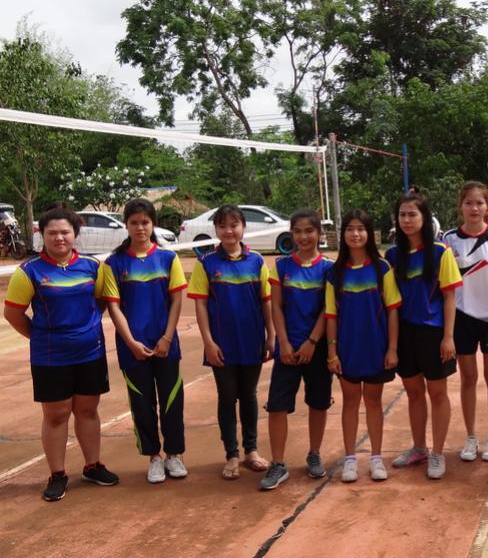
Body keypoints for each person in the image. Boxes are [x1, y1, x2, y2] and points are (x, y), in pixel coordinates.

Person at [4, 206, 119, 501]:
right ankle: (57, 474)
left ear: (74, 234)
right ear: (42, 235)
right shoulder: (29, 271)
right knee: (56, 415)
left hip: (90, 352)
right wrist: (41, 337)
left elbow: (101, 302)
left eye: (65, 232)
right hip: (50, 357)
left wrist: (86, 329)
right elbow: (13, 314)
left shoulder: (93, 267)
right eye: (52, 232)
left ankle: (92, 466)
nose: (59, 238)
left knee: (87, 410)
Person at [102, 199, 188, 484]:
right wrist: (130, 343)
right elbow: (114, 307)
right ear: (126, 225)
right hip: (133, 349)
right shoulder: (114, 263)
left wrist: (166, 337)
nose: (140, 227)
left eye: (145, 222)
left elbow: (177, 301)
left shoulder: (168, 259)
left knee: (172, 401)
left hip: (166, 345)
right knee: (142, 404)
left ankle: (174, 454)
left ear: (153, 224)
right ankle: (154, 457)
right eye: (134, 222)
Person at [187, 205, 275, 481]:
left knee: (248, 395)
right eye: (223, 225)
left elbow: (266, 301)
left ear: (243, 228)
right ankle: (232, 454)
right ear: (216, 229)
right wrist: (208, 342)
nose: (229, 231)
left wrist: (271, 335)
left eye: (234, 225)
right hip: (222, 343)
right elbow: (201, 305)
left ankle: (251, 450)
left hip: (251, 340)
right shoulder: (206, 263)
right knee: (227, 396)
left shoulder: (257, 261)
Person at [386, 192, 462, 479]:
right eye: (402, 215)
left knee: (438, 393)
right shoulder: (393, 255)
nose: (407, 220)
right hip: (406, 332)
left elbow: (450, 297)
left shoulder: (441, 252)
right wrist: (393, 344)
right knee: (414, 392)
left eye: (412, 214)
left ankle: (438, 453)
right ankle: (419, 448)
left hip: (434, 332)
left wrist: (448, 337)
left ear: (425, 218)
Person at [442, 182, 488, 462]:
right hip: (461, 318)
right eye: (468, 203)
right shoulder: (449, 238)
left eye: (479, 203)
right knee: (468, 378)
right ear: (460, 206)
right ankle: (471, 437)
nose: (474, 208)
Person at [325, 209, 401, 482]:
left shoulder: (382, 269)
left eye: (360, 229)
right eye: (350, 229)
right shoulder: (334, 274)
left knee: (373, 402)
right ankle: (350, 459)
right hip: (347, 349)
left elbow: (393, 310)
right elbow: (330, 315)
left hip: (376, 348)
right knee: (350, 402)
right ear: (343, 234)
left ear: (369, 234)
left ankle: (376, 457)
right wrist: (332, 352)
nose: (355, 234)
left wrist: (392, 348)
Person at [261, 210, 334, 490]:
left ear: (319, 234)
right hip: (287, 350)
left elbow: (328, 309)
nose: (303, 237)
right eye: (298, 231)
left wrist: (312, 342)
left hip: (316, 348)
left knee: (318, 402)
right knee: (277, 406)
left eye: (309, 231)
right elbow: (277, 307)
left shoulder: (328, 268)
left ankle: (314, 454)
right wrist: (284, 342)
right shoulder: (281, 266)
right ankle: (278, 464)